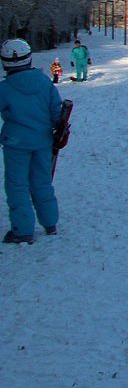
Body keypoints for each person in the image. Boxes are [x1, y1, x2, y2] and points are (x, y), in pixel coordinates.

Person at [0, 39, 63, 245]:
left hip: (16, 144)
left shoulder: (5, 88)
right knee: (42, 182)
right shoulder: (45, 83)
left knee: (17, 185)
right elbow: (57, 112)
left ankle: (23, 230)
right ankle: (50, 222)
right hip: (43, 141)